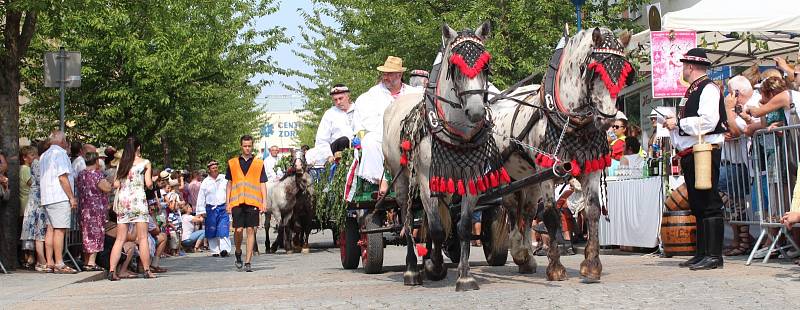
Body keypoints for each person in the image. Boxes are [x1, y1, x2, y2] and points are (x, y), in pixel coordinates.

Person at [663, 48, 727, 270]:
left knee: (709, 202)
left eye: (683, 66)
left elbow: (708, 121)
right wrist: (674, 125)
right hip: (694, 151)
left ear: (690, 67)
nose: (682, 69)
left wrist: (679, 124)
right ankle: (702, 252)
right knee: (699, 204)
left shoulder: (708, 88)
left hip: (705, 150)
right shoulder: (695, 89)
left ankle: (714, 255)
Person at [352, 56, 413, 196]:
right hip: (381, 138)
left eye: (390, 74)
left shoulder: (414, 93)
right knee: (370, 140)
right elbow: (361, 128)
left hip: (410, 138)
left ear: (400, 75)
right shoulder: (368, 97)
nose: (386, 77)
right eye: (384, 74)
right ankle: (382, 181)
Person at [107, 136, 156, 280]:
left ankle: (112, 271)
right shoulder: (145, 163)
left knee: (120, 239)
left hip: (124, 202)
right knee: (142, 238)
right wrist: (151, 183)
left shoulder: (122, 163)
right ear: (138, 147)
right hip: (138, 201)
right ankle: (147, 270)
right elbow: (148, 184)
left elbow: (116, 184)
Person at [226, 134, 268, 272]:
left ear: (252, 146)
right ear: (241, 146)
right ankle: (238, 251)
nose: (247, 148)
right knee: (238, 230)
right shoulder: (232, 163)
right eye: (245, 146)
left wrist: (264, 201)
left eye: (249, 146)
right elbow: (229, 184)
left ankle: (248, 261)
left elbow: (262, 183)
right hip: (237, 201)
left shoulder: (258, 163)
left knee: (251, 230)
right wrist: (227, 202)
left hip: (253, 201)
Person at [39, 131, 78, 274]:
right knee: (60, 230)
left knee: (51, 229)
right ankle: (59, 263)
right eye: (66, 140)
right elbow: (62, 177)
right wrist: (71, 197)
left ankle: (49, 262)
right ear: (62, 141)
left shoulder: (44, 155)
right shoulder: (60, 154)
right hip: (59, 196)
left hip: (47, 197)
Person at [77, 152, 112, 271]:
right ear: (96, 161)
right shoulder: (97, 175)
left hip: (84, 208)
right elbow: (106, 188)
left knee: (86, 234)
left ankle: (87, 261)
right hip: (95, 210)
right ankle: (91, 262)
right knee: (96, 234)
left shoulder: (81, 174)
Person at [196, 160, 231, 257]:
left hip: (223, 207)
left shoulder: (224, 178)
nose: (215, 169)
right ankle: (215, 250)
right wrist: (201, 211)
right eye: (213, 168)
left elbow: (230, 191)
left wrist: (230, 205)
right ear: (209, 170)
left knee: (223, 229)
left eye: (216, 167)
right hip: (210, 209)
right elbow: (201, 197)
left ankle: (225, 249)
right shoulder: (205, 182)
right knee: (212, 230)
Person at [313, 84, 356, 163]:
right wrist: (328, 156)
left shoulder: (359, 109)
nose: (338, 102)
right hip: (337, 152)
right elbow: (321, 140)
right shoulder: (329, 114)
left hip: (357, 149)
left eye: (340, 98)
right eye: (335, 100)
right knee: (344, 140)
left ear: (348, 96)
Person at [19, 145, 44, 270]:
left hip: (29, 202)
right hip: (26, 203)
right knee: (28, 232)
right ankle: (26, 258)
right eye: (32, 155)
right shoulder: (24, 169)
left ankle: (31, 258)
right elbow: (31, 182)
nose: (34, 158)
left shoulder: (29, 168)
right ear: (24, 157)